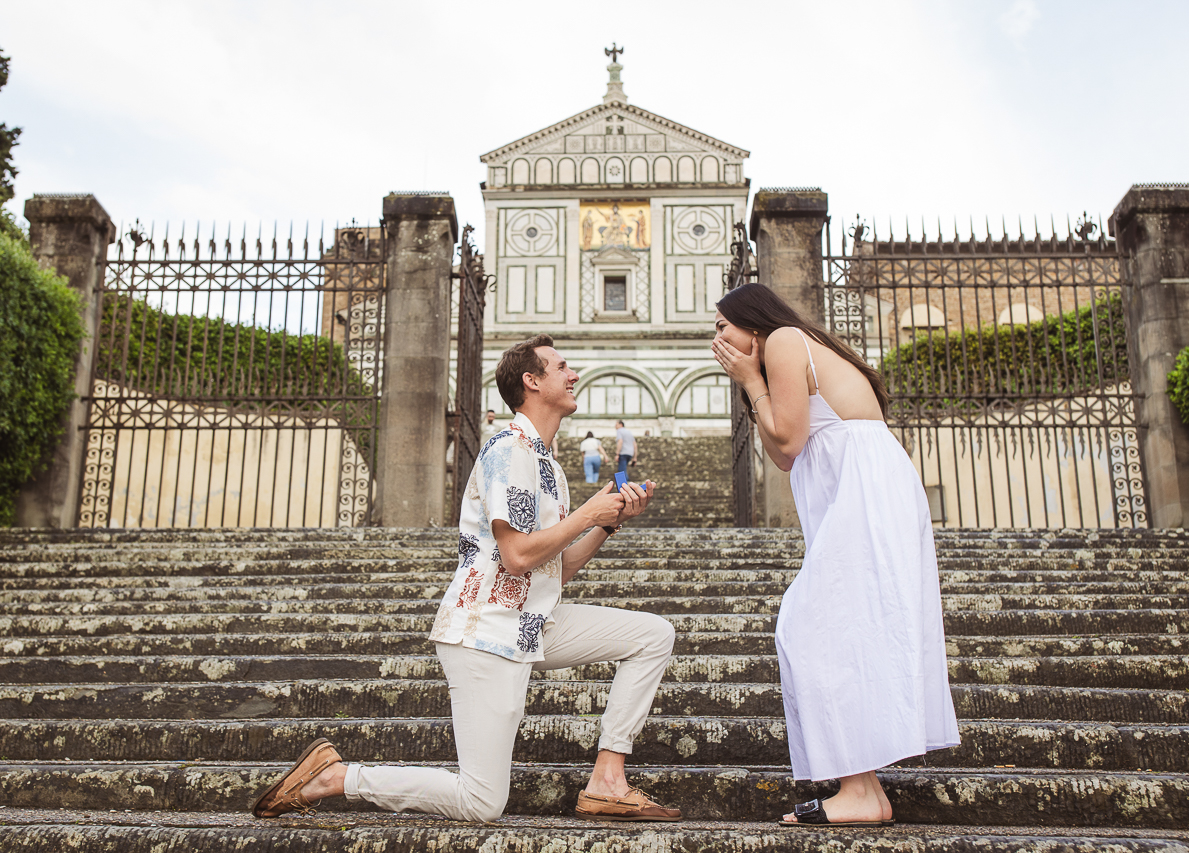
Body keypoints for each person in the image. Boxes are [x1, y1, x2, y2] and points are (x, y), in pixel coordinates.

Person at [251, 334, 681, 824]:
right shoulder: (509, 449)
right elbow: (516, 555)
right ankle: (337, 777)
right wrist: (586, 514)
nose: (573, 374)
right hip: (485, 632)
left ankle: (607, 780)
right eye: (562, 366)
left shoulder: (548, 468)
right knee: (481, 802)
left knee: (652, 635)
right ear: (532, 381)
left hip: (530, 622)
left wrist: (606, 523)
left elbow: (553, 568)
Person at [710, 284, 959, 827]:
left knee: (811, 627)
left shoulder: (781, 341)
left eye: (723, 325)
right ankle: (864, 789)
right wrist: (754, 386)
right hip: (862, 490)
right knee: (840, 628)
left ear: (750, 323)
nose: (718, 337)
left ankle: (859, 788)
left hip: (864, 493)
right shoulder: (785, 348)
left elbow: (792, 442)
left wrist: (751, 380)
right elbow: (781, 456)